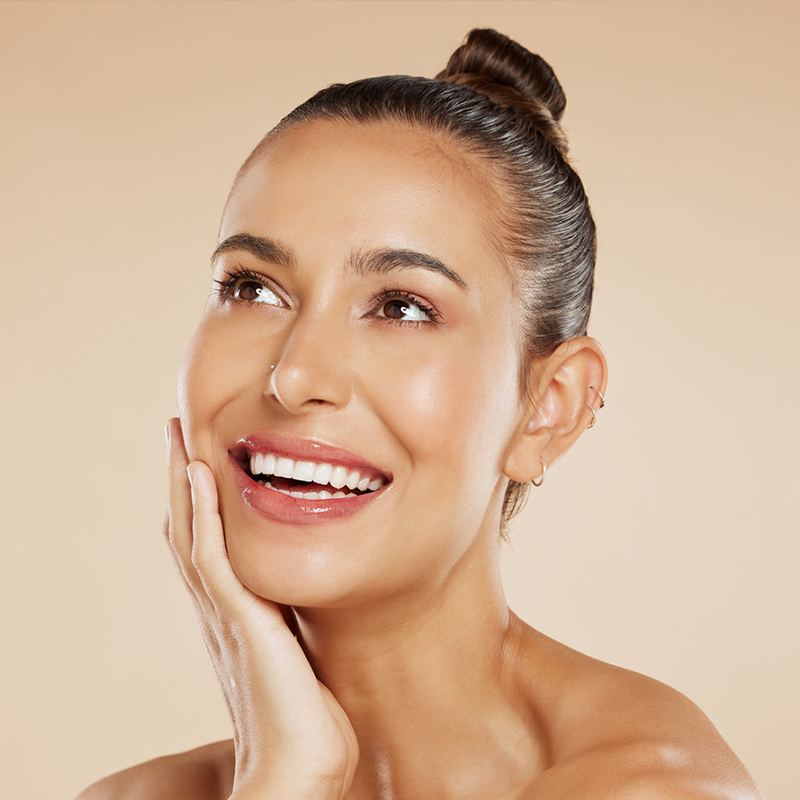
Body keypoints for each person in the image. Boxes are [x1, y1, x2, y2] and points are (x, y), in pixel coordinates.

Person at [77, 28, 764, 800]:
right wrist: (286, 775)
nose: (295, 373)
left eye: (401, 307)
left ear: (548, 409)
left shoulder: (647, 789)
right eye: (252, 288)